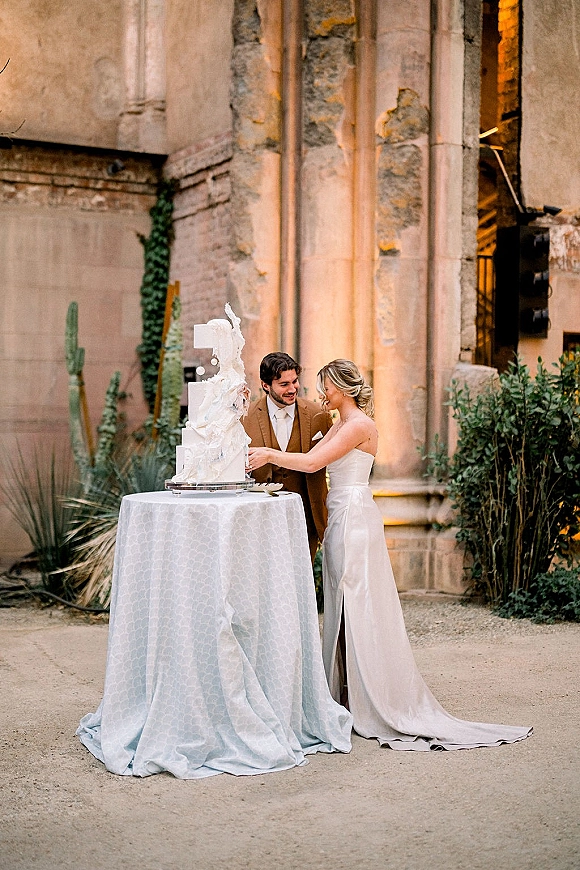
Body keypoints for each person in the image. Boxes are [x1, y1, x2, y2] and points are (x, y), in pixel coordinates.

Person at [248, 359, 532, 750]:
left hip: (354, 519)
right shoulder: (339, 424)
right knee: (340, 604)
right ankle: (344, 694)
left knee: (358, 604)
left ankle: (373, 700)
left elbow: (314, 463)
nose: (320, 393)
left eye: (324, 386)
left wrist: (269, 454)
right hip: (338, 517)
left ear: (343, 388)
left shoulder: (360, 425)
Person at [243, 352, 332, 562]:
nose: (292, 389)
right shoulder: (245, 418)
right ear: (266, 385)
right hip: (260, 518)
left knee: (302, 575)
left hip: (306, 515)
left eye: (294, 381)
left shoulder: (318, 415)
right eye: (284, 384)